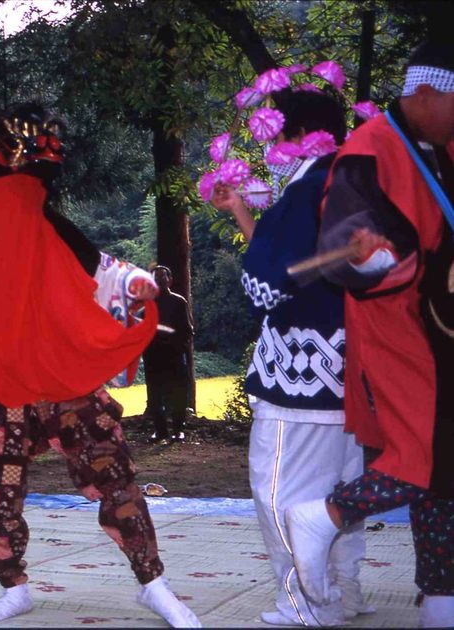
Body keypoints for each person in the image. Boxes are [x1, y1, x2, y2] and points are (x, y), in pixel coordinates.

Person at [0, 104, 200, 627]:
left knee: (114, 480)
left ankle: (153, 584)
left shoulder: (55, 230)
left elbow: (105, 272)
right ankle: (14, 587)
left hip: (62, 382)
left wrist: (136, 287)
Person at [285, 41, 454, 628]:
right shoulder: (370, 148)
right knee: (427, 458)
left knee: (446, 474)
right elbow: (341, 250)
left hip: (444, 329)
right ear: (426, 94)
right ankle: (326, 514)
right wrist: (369, 255)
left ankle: (441, 601)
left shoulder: (444, 143)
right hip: (401, 330)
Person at [211, 87, 372, 626]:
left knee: (282, 489)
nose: (273, 145)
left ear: (296, 134)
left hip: (302, 370)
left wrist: (254, 226)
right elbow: (302, 269)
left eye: (277, 134)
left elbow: (266, 287)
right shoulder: (350, 178)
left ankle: (304, 603)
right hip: (350, 364)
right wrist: (242, 212)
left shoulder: (307, 190)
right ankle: (343, 594)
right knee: (341, 487)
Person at [142, 265, 194, 443]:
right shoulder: (146, 304)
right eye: (156, 278)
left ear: (169, 280)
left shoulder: (179, 302)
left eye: (163, 278)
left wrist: (178, 346)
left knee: (178, 394)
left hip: (174, 354)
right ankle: (160, 430)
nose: (160, 281)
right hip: (153, 356)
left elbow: (187, 330)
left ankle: (179, 430)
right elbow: (141, 330)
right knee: (154, 396)